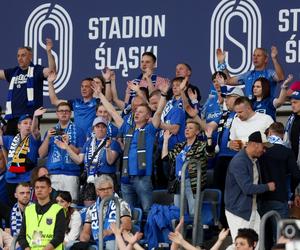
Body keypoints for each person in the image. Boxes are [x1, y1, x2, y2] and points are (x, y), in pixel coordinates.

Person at [93, 80, 168, 214]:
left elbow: (158, 112)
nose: (136, 113)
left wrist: (163, 94)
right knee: (127, 212)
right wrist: (101, 96)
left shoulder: (150, 130)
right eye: (136, 111)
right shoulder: (127, 128)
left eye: (141, 111)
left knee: (147, 210)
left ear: (147, 116)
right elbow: (112, 111)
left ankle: (147, 234)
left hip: (143, 177)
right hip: (125, 178)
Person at [224, 131, 276, 244]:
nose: (264, 150)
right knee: (242, 245)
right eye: (263, 146)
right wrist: (267, 187)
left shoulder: (254, 160)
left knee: (256, 243)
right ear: (254, 145)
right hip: (238, 212)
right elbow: (247, 188)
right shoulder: (239, 162)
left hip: (251, 209)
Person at [0, 39, 56, 135]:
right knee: (10, 147)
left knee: (28, 147)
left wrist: (49, 52)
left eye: (23, 55)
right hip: (12, 117)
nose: (20, 58)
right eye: (18, 56)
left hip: (30, 118)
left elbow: (52, 71)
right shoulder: (13, 72)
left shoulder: (37, 70)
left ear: (30, 56)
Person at [161, 119, 214, 215]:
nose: (187, 130)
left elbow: (210, 154)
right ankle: (180, 230)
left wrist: (209, 138)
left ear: (197, 132)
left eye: (190, 128)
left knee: (194, 215)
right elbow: (165, 158)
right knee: (178, 213)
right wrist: (165, 141)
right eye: (186, 128)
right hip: (179, 182)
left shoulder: (201, 145)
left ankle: (196, 230)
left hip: (193, 183)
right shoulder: (180, 146)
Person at [38, 102, 85, 201]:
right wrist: (47, 138)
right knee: (52, 206)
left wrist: (68, 143)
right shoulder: (50, 131)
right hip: (53, 174)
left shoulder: (79, 131)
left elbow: (79, 153)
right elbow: (41, 154)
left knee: (71, 205)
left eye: (66, 111)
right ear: (57, 113)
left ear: (70, 113)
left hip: (71, 174)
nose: (64, 113)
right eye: (61, 111)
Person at [54, 116, 121, 186]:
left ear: (106, 129)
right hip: (90, 179)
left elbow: (110, 161)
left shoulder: (113, 143)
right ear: (93, 129)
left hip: (106, 179)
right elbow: (79, 160)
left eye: (103, 127)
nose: (100, 129)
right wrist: (67, 147)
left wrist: (107, 148)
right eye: (98, 126)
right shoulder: (88, 143)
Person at [0, 107, 44, 207]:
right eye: (25, 123)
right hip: (11, 180)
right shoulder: (9, 139)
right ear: (18, 126)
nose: (28, 126)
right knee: (13, 208)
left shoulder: (33, 138)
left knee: (29, 209)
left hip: (27, 178)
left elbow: (35, 130)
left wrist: (35, 117)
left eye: (30, 123)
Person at [78, 175, 131, 250]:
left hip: (117, 240)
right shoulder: (91, 209)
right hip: (98, 242)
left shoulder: (121, 204)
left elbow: (127, 225)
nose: (106, 191)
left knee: (110, 245)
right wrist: (83, 240)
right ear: (97, 192)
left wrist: (109, 231)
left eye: (109, 188)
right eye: (102, 189)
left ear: (113, 189)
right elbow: (86, 231)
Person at [17, 176, 66, 250]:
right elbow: (21, 236)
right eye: (37, 187)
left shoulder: (58, 210)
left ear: (49, 189)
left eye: (42, 187)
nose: (39, 190)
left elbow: (59, 237)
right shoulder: (28, 210)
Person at [217, 46, 285, 98]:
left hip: (265, 112)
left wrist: (274, 59)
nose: (255, 58)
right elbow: (228, 81)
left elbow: (280, 77)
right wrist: (222, 63)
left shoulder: (269, 73)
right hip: (250, 112)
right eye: (254, 55)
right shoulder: (248, 75)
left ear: (266, 59)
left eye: (258, 56)